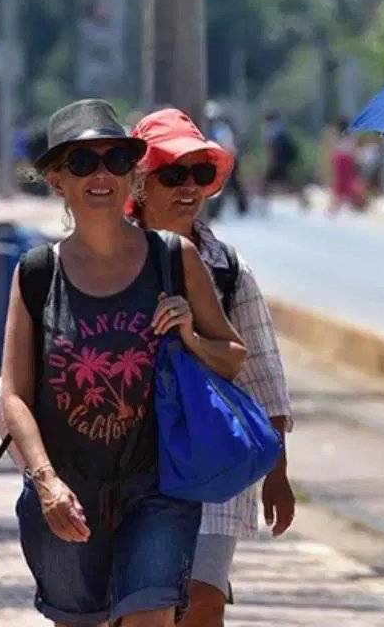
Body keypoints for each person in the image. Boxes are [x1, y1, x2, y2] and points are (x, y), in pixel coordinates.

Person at [0, 99, 246, 627]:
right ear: (57, 180)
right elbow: (14, 393)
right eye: (82, 163)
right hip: (66, 489)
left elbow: (233, 358)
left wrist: (191, 336)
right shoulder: (38, 272)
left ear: (134, 174)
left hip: (157, 487)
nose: (101, 174)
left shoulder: (174, 258)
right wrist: (45, 481)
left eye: (115, 160)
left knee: (150, 621)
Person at [125, 108, 296, 627]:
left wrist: (278, 475)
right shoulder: (107, 262)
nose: (188, 189)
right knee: (137, 606)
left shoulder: (228, 269)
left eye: (200, 174)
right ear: (139, 183)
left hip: (210, 464)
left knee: (202, 599)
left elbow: (262, 374)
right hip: (129, 461)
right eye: (172, 175)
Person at [202, 101, 252, 219]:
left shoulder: (220, 129)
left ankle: (218, 212)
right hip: (221, 159)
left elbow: (226, 146)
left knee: (225, 186)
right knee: (231, 185)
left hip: (226, 159)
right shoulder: (211, 129)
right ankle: (239, 208)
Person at [259, 112, 307, 212]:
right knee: (288, 182)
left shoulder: (272, 130)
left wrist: (270, 162)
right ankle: (303, 200)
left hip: (276, 162)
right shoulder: (281, 129)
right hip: (284, 162)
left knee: (267, 183)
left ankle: (264, 205)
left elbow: (271, 148)